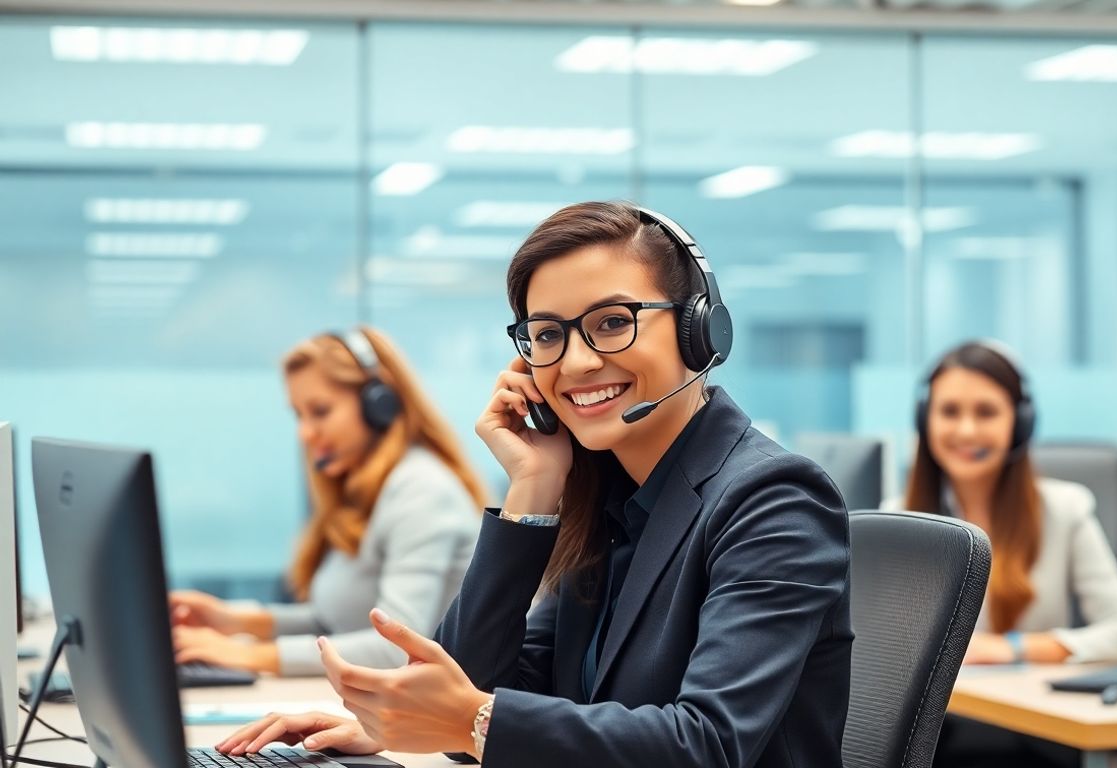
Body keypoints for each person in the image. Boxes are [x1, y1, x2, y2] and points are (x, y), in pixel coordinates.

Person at [215, 202, 853, 767]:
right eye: (548, 335)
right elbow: (484, 687)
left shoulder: (774, 501)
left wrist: (469, 721)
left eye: (612, 322)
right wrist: (533, 485)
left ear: (698, 329)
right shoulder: (611, 501)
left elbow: (708, 745)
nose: (576, 361)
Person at [169, 327, 489, 676]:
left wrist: (251, 655)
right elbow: (335, 622)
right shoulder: (365, 492)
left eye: (320, 411)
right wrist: (236, 622)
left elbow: (396, 648)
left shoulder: (422, 491)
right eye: (299, 415)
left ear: (379, 404)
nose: (305, 433)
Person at [906, 340, 1117, 666]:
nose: (967, 430)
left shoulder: (1065, 510)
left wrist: (1012, 648)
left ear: (1020, 423)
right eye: (949, 411)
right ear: (925, 420)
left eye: (986, 412)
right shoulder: (898, 518)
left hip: (1022, 698)